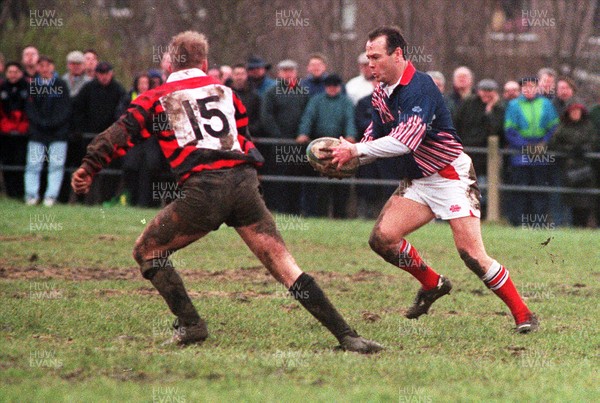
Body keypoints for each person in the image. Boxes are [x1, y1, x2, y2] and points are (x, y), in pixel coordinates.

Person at [71, 31, 382, 353]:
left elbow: (123, 132)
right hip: (244, 184)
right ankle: (348, 336)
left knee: (147, 251)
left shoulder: (157, 96)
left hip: (204, 190)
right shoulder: (226, 92)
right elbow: (244, 138)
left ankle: (191, 325)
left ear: (169, 63)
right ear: (205, 63)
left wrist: (90, 165)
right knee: (285, 267)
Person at [330, 26, 538, 333]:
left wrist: (357, 150)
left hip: (449, 176)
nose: (370, 64)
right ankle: (432, 283)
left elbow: (403, 142)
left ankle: (524, 315)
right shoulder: (379, 92)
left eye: (376, 57)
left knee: (471, 255)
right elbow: (375, 138)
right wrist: (347, 155)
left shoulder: (420, 86)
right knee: (382, 239)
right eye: (368, 57)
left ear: (397, 54)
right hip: (418, 179)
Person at [297, 73, 357, 217]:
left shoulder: (346, 102)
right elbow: (308, 117)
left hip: (340, 146)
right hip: (320, 147)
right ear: (325, 87)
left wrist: (351, 136)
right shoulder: (316, 100)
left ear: (339, 87)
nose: (332, 89)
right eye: (329, 86)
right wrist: (303, 133)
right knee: (320, 185)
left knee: (341, 184)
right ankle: (319, 215)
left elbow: (350, 119)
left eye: (335, 86)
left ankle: (340, 216)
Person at [504, 76, 559, 226]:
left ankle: (538, 222)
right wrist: (525, 146)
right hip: (520, 152)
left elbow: (554, 127)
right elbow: (509, 129)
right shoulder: (514, 105)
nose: (529, 89)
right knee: (520, 187)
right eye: (525, 86)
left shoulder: (546, 104)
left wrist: (544, 143)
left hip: (541, 151)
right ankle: (518, 222)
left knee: (539, 187)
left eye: (532, 86)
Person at [72, 61, 126, 204]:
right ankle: (82, 199)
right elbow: (77, 109)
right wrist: (79, 128)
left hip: (111, 138)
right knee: (87, 167)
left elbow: (122, 113)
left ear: (111, 73)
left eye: (107, 74)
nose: (104, 77)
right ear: (96, 74)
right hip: (89, 137)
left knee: (109, 171)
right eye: (101, 74)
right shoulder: (88, 88)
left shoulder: (118, 90)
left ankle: (106, 200)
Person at [260, 59, 310, 214]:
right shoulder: (271, 93)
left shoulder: (302, 92)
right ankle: (279, 211)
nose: (288, 74)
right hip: (278, 144)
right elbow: (266, 117)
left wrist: (303, 134)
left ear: (296, 73)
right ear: (279, 73)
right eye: (284, 71)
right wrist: (278, 137)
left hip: (299, 144)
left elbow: (308, 116)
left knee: (297, 180)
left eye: (291, 70)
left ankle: (296, 212)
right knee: (279, 180)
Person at [24, 56, 71, 206]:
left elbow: (65, 109)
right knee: (33, 164)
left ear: (52, 67)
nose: (44, 69)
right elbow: (30, 109)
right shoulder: (33, 85)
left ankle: (50, 197)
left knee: (56, 165)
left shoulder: (61, 85)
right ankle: (31, 195)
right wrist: (41, 123)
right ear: (38, 68)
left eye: (47, 65)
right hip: (37, 133)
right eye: (41, 66)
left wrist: (53, 123)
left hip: (58, 133)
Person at [454, 79, 505, 216]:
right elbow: (456, 123)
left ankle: (481, 214)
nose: (486, 94)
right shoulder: (468, 103)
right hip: (466, 151)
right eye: (484, 91)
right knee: (463, 185)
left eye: (490, 91)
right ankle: (463, 213)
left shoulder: (499, 108)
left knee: (483, 187)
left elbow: (496, 130)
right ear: (478, 91)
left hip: (487, 156)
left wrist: (489, 111)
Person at [549, 103, 598, 227]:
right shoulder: (563, 127)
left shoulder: (588, 126)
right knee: (570, 198)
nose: (575, 114)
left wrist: (585, 149)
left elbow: (595, 142)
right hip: (568, 167)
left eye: (577, 111)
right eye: (573, 111)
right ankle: (569, 224)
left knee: (586, 198)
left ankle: (584, 224)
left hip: (586, 168)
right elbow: (553, 144)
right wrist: (568, 149)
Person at [0, 62, 29, 199]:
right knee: (7, 162)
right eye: (10, 72)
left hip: (23, 134)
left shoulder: (28, 87)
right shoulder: (2, 88)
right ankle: (10, 193)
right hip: (5, 134)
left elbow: (30, 108)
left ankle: (21, 193)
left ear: (21, 73)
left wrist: (22, 125)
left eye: (15, 72)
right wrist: (6, 125)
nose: (13, 75)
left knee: (21, 162)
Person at [228, 64, 261, 136]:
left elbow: (258, 117)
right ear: (232, 76)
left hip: (249, 134)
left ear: (246, 75)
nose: (239, 77)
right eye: (237, 74)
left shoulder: (254, 96)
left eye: (242, 74)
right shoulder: (226, 94)